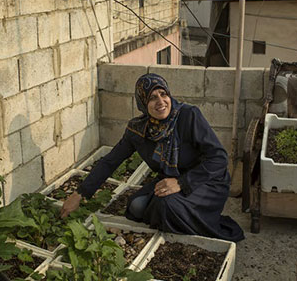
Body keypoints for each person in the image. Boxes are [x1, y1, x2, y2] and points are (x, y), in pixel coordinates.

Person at [60, 73, 244, 242]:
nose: (161, 101)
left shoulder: (188, 116)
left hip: (205, 180)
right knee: (136, 206)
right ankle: (176, 217)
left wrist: (181, 183)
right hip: (170, 180)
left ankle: (192, 228)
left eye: (164, 94)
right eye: (152, 98)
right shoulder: (138, 130)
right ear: (142, 103)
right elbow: (110, 161)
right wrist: (80, 194)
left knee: (166, 205)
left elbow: (219, 159)